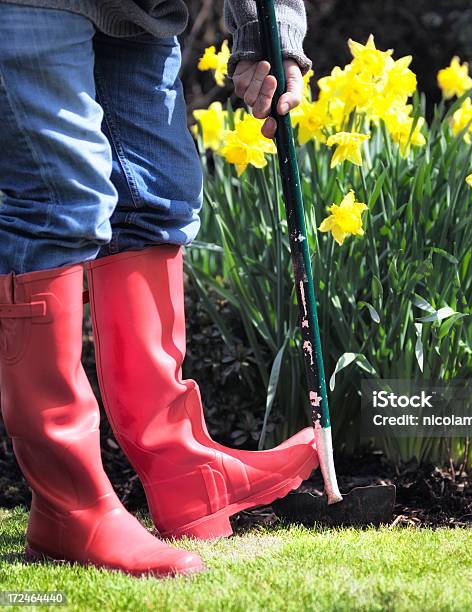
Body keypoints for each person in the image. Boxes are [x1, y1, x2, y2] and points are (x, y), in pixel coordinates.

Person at [0, 0, 317, 577]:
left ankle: (183, 473)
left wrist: (267, 32)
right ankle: (70, 507)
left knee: (153, 201)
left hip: (140, 12)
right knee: (59, 204)